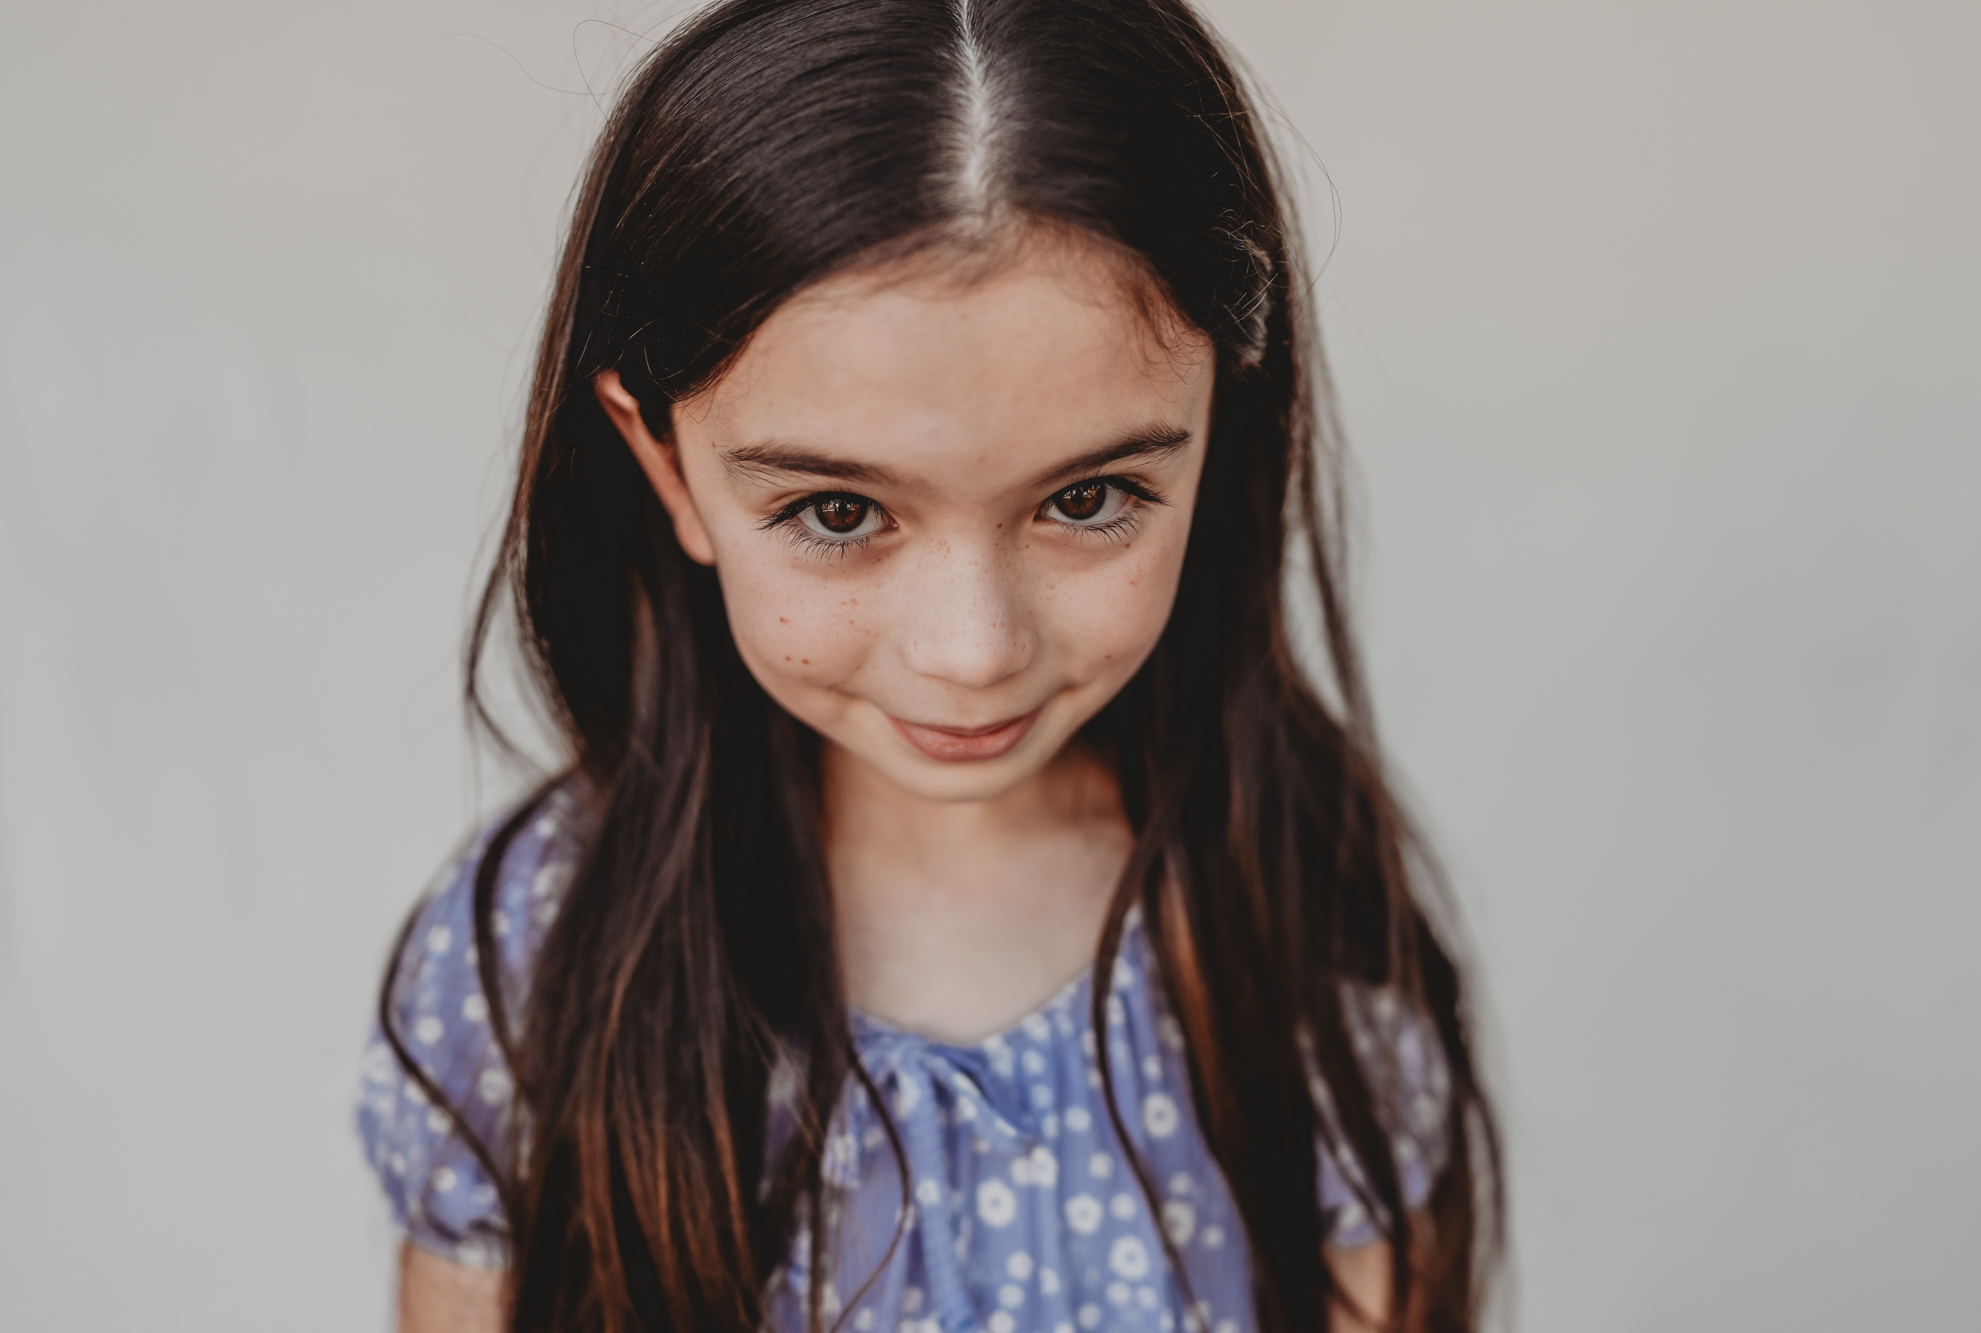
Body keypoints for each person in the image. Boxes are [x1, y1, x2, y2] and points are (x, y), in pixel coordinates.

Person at [355, 0, 1503, 1329]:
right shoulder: (537, 968)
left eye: (1090, 498)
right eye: (838, 512)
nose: (973, 651)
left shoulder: (1299, 939)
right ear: (664, 459)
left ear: (1221, 419)